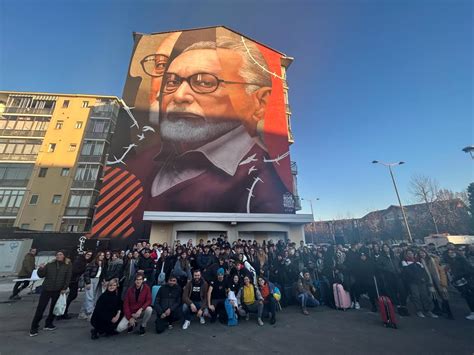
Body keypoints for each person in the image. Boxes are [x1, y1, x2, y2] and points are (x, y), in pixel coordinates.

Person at [124, 34, 295, 216]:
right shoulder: (137, 164)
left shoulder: (266, 185)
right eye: (172, 82)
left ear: (259, 101)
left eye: (205, 82)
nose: (179, 95)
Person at [29, 251, 72, 337]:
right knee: (41, 308)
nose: (59, 256)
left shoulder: (67, 266)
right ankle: (34, 327)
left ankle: (48, 323)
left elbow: (68, 277)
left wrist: (64, 288)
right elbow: (41, 275)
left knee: (54, 307)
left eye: (61, 254)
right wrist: (40, 269)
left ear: (64, 256)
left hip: (58, 289)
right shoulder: (49, 265)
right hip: (47, 289)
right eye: (57, 255)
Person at [401, 249, 438, 318]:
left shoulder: (418, 261)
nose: (410, 254)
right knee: (416, 296)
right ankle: (419, 310)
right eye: (408, 253)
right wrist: (417, 278)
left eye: (411, 253)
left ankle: (428, 310)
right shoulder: (404, 262)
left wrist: (425, 278)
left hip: (422, 281)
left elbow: (423, 271)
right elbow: (407, 272)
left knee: (425, 295)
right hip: (412, 282)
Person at [59, 251, 92, 320]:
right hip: (72, 280)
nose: (89, 256)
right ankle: (63, 311)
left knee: (71, 295)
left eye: (90, 255)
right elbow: (75, 270)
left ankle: (63, 311)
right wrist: (84, 268)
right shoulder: (80, 260)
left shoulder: (82, 260)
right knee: (72, 295)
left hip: (73, 280)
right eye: (88, 254)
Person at [444, 249, 474, 320]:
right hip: (459, 282)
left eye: (452, 252)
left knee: (470, 296)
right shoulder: (451, 262)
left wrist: (458, 277)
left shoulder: (462, 260)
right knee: (467, 297)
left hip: (467, 281)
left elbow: (469, 270)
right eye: (449, 253)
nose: (451, 253)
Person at [78, 252, 105, 320]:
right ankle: (90, 313)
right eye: (100, 255)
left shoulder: (102, 264)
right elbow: (86, 273)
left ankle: (82, 313)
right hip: (91, 280)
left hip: (97, 279)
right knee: (90, 296)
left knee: (90, 296)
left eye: (103, 255)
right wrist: (88, 282)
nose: (102, 256)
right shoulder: (92, 263)